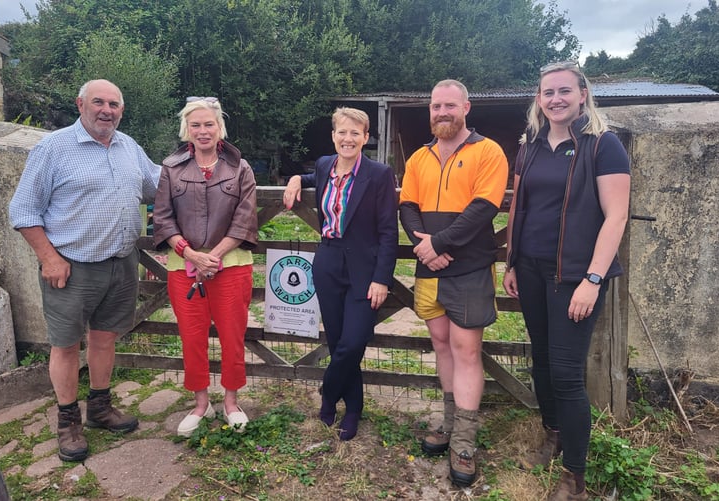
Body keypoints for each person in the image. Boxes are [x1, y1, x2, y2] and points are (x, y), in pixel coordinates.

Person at [8, 79, 160, 461]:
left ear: (122, 111)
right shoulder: (53, 148)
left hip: (121, 262)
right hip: (71, 267)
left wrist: (211, 165)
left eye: (114, 104)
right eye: (99, 102)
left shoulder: (129, 147)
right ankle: (67, 421)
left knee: (105, 338)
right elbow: (23, 210)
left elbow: (160, 184)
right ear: (80, 104)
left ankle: (100, 408)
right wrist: (49, 257)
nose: (106, 110)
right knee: (65, 345)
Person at [503, 61, 630, 501]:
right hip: (532, 271)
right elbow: (520, 207)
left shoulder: (603, 145)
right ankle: (553, 433)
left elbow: (616, 216)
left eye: (564, 91)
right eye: (547, 93)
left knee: (567, 375)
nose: (555, 99)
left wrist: (593, 279)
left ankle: (574, 476)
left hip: (575, 276)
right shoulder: (530, 146)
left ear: (582, 94)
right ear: (538, 100)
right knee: (541, 361)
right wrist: (511, 262)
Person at [399, 79, 508, 487]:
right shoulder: (419, 157)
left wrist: (439, 244)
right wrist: (423, 245)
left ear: (466, 107)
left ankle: (464, 441)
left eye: (449, 105)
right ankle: (447, 425)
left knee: (466, 350)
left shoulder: (488, 151)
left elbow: (484, 209)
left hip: (468, 266)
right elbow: (407, 206)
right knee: (441, 344)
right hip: (430, 266)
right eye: (435, 106)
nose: (441, 112)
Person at [283, 107, 398, 441]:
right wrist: (293, 179)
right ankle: (355, 410)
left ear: (365, 137)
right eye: (342, 132)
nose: (348, 139)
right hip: (329, 263)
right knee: (337, 342)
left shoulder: (379, 174)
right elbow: (309, 179)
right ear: (333, 135)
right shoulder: (323, 165)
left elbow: (389, 233)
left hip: (365, 268)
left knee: (352, 343)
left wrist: (382, 278)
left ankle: (328, 396)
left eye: (355, 133)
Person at [152, 96, 258, 437]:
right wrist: (191, 255)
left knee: (232, 336)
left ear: (219, 127)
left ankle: (231, 402)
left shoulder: (240, 168)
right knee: (192, 338)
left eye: (208, 124)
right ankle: (200, 404)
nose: (202, 131)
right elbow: (163, 220)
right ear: (187, 129)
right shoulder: (171, 168)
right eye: (195, 125)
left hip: (232, 265)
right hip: (184, 268)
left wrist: (214, 257)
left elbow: (244, 222)